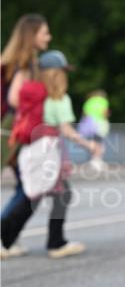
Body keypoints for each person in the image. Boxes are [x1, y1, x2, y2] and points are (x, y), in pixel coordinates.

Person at [1, 50, 99, 259]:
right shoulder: (58, 98)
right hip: (45, 152)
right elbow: (66, 129)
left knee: (52, 194)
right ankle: (12, 240)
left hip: (28, 150)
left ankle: (53, 241)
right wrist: (89, 145)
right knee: (35, 197)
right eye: (63, 71)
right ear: (57, 74)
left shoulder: (33, 95)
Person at [1, 14, 52, 251]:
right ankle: (4, 236)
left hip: (8, 130)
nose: (48, 38)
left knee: (26, 185)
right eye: (44, 33)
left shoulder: (8, 62)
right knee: (31, 187)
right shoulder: (25, 65)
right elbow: (14, 99)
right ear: (32, 36)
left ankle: (9, 237)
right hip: (13, 133)